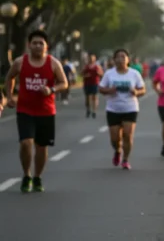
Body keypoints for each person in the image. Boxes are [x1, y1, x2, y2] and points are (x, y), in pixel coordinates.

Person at [4, 29, 69, 192]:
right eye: (35, 43)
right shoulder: (20, 62)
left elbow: (64, 83)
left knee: (41, 147)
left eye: (41, 43)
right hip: (25, 110)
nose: (38, 46)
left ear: (46, 46)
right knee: (26, 143)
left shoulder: (53, 63)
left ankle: (37, 176)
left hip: (46, 111)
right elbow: (9, 77)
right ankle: (26, 175)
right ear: (29, 45)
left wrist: (51, 90)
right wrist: (9, 96)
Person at [98, 49, 146, 170]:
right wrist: (110, 91)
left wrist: (136, 92)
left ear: (128, 59)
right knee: (114, 139)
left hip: (130, 108)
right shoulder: (109, 74)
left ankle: (125, 159)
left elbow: (142, 90)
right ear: (114, 60)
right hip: (113, 109)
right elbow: (101, 89)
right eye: (118, 57)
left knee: (127, 135)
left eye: (123, 57)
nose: (121, 59)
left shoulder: (134, 74)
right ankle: (118, 150)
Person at [81, 53, 103, 118]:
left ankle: (94, 111)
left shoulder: (97, 66)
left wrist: (99, 73)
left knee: (95, 97)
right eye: (90, 58)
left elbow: (102, 74)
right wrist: (85, 75)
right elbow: (81, 74)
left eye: (92, 58)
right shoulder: (86, 66)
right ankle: (88, 109)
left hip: (95, 83)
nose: (91, 59)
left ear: (95, 59)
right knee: (87, 98)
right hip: (87, 84)